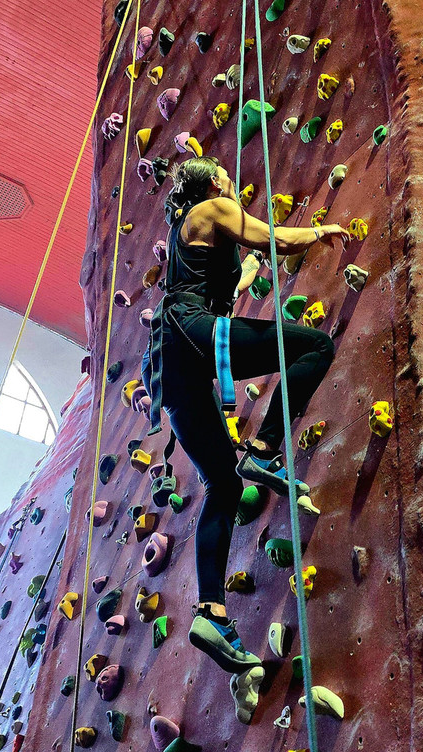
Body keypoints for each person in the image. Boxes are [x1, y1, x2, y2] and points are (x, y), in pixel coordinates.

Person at [139, 155, 349, 672]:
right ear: (214, 183)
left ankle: (210, 611)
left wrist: (245, 273)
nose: (234, 186)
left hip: (178, 364)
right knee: (315, 348)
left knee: (222, 487)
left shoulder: (194, 234)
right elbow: (269, 236)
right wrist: (317, 230)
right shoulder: (212, 207)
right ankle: (262, 448)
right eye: (229, 180)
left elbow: (222, 281)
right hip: (193, 336)